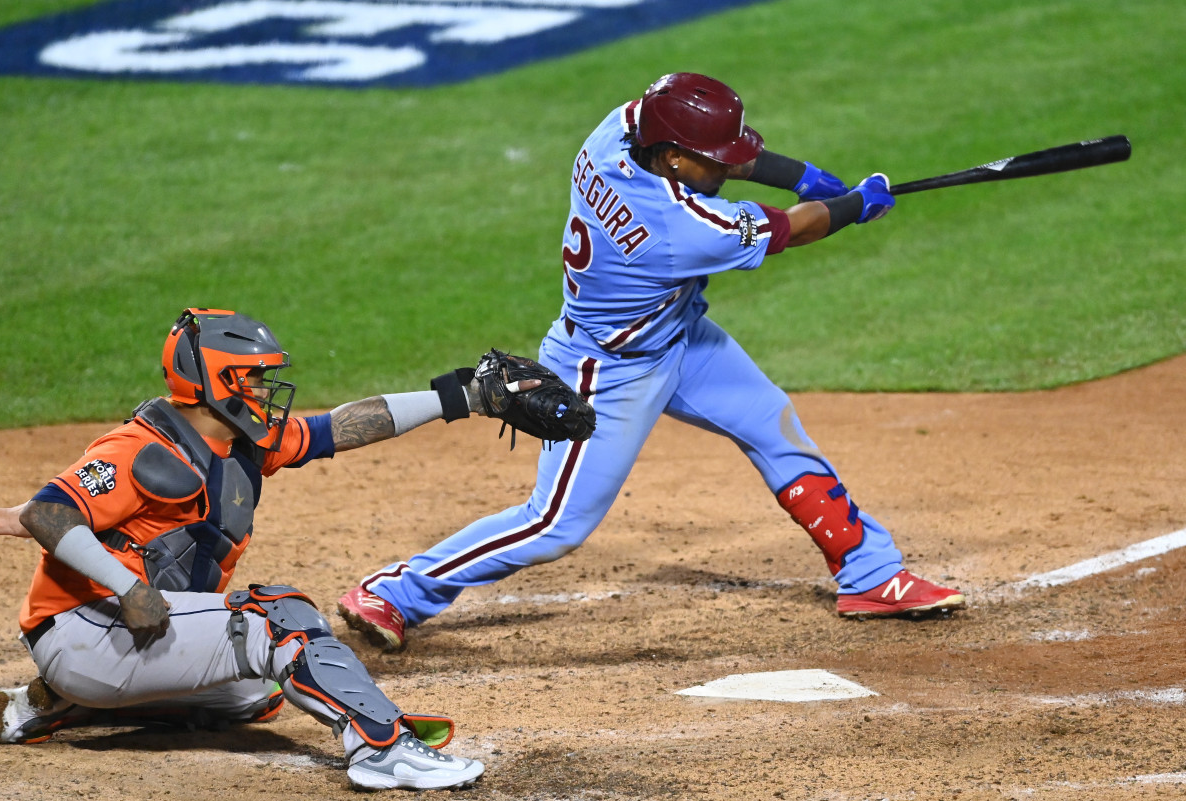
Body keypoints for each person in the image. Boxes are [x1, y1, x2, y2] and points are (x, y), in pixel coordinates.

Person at [337, 72, 965, 652]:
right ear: (671, 157)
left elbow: (722, 154)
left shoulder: (616, 130)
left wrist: (799, 175)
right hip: (606, 370)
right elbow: (794, 231)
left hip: (679, 337)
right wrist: (858, 204)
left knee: (772, 422)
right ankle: (394, 592)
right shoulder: (679, 226)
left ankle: (870, 574)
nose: (726, 164)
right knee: (555, 523)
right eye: (710, 159)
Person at [0, 307, 524, 791]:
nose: (268, 390)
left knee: (258, 690)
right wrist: (127, 586)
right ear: (215, 382)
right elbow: (47, 513)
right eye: (255, 378)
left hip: (122, 645)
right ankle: (381, 749)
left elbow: (338, 427)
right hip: (83, 633)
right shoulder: (138, 450)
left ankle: (59, 706)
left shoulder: (242, 443)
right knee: (280, 620)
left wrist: (461, 397)